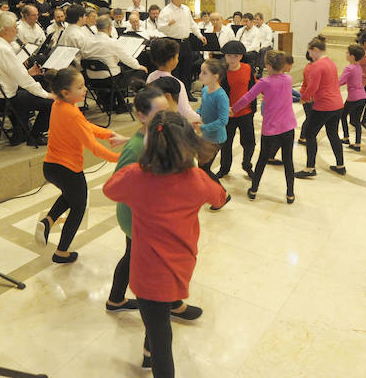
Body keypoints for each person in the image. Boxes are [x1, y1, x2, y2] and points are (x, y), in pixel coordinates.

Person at [102, 111, 227, 376]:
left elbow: (109, 189)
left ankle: (152, 354)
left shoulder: (137, 176)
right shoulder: (197, 180)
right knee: (159, 323)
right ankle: (148, 354)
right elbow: (220, 197)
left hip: (147, 273)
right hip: (181, 265)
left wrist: (137, 160)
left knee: (161, 339)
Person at [105, 85, 204, 321]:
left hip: (151, 216)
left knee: (133, 255)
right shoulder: (136, 148)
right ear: (141, 116)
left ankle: (116, 298)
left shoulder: (157, 136)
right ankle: (173, 304)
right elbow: (118, 186)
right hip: (138, 216)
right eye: (158, 113)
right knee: (150, 259)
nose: (165, 117)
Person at [36, 68, 126, 263]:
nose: (85, 89)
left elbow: (86, 127)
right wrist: (119, 158)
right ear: (66, 92)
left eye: (84, 85)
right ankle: (61, 252)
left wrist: (108, 134)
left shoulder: (59, 105)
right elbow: (93, 147)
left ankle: (48, 221)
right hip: (68, 169)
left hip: (51, 167)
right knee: (78, 206)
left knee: (70, 197)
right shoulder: (72, 112)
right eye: (80, 87)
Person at [0, 11, 54, 146]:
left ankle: (20, 133)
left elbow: (2, 73)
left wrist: (27, 73)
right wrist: (47, 95)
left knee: (23, 95)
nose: (17, 30)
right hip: (3, 100)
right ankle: (35, 136)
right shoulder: (3, 49)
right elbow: (25, 81)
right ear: (6, 30)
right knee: (49, 104)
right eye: (15, 27)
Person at [233, 49, 297, 204]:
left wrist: (233, 109)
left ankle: (254, 190)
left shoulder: (265, 82)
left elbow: (247, 97)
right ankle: (290, 194)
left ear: (268, 66)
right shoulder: (288, 79)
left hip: (271, 128)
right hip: (288, 126)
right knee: (288, 160)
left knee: (262, 159)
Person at [296, 36, 346, 178]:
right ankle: (340, 165)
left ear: (316, 50)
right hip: (337, 104)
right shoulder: (331, 62)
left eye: (310, 52)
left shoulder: (317, 65)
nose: (310, 55)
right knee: (333, 134)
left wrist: (304, 98)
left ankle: (310, 168)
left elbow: (313, 86)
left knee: (310, 134)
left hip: (324, 105)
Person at [217, 41, 256, 179]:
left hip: (246, 113)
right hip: (228, 114)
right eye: (229, 56)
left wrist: (253, 108)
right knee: (226, 143)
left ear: (240, 56)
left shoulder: (248, 68)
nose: (232, 59)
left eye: (235, 56)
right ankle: (224, 168)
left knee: (249, 142)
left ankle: (247, 164)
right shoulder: (221, 72)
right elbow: (218, 91)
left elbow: (253, 88)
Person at [158, 0, 206, 96]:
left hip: (186, 42)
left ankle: (187, 93)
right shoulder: (166, 11)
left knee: (187, 68)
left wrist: (199, 35)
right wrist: (168, 24)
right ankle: (175, 94)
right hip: (172, 42)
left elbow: (192, 24)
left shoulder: (186, 9)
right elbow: (160, 28)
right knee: (175, 70)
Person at [195, 59, 230, 201]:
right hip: (205, 136)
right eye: (200, 72)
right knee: (201, 166)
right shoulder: (204, 90)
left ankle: (223, 194)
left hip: (216, 139)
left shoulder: (221, 96)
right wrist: (195, 115)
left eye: (204, 73)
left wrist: (203, 127)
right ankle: (206, 191)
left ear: (215, 76)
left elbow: (223, 120)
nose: (200, 75)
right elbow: (202, 109)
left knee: (204, 168)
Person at [147, 37, 201, 123]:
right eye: (177, 57)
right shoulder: (176, 83)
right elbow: (185, 111)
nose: (177, 60)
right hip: (172, 125)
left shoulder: (151, 77)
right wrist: (199, 118)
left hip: (153, 122)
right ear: (171, 60)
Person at [339, 45, 366, 151]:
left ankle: (346, 137)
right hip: (362, 97)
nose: (346, 54)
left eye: (348, 53)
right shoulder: (358, 67)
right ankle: (357, 144)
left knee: (343, 115)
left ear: (352, 56)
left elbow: (341, 81)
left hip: (353, 97)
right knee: (356, 121)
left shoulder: (349, 68)